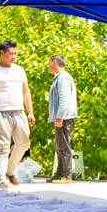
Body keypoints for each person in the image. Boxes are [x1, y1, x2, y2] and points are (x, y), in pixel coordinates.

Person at [0, 40, 35, 190]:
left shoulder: (19, 70)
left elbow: (26, 92)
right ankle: (1, 179)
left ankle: (10, 171)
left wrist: (30, 111)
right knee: (2, 147)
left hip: (19, 112)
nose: (14, 57)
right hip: (1, 112)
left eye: (15, 54)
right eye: (11, 54)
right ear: (2, 53)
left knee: (24, 143)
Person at [47, 55, 77, 183]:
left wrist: (59, 116)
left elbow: (64, 99)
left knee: (64, 145)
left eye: (49, 63)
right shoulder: (58, 78)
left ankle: (66, 175)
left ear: (54, 62)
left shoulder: (63, 78)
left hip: (64, 117)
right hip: (61, 117)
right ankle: (59, 173)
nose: (48, 65)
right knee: (59, 145)